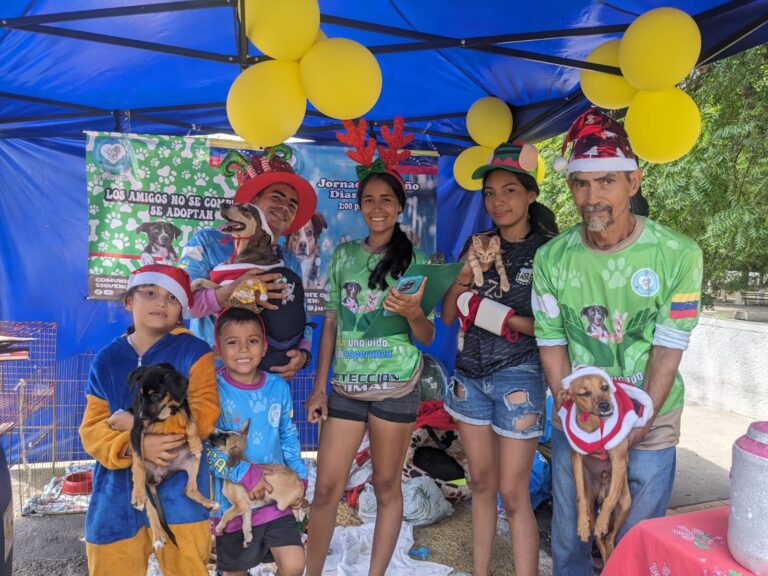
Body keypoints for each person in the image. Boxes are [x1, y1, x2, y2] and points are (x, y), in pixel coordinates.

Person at [532, 108, 703, 575]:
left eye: (606, 182)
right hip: (580, 415)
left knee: (636, 539)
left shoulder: (679, 255)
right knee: (571, 535)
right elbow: (551, 343)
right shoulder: (551, 258)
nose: (593, 197)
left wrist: (635, 427)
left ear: (633, 182)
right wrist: (574, 413)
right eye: (581, 184)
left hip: (652, 411)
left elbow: (668, 348)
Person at [304, 117, 434, 576]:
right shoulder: (342, 255)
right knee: (325, 489)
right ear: (359, 206)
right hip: (345, 387)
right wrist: (319, 387)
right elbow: (332, 323)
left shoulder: (417, 260)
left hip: (397, 386)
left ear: (399, 205)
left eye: (386, 199)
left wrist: (414, 312)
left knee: (385, 486)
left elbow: (426, 336)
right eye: (368, 200)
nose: (376, 207)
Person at [441, 141, 558, 576]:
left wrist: (501, 316)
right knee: (481, 484)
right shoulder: (477, 245)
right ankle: (481, 571)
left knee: (513, 492)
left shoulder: (550, 252)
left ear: (530, 196)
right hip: (468, 377)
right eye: (490, 193)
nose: (498, 201)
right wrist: (461, 280)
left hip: (520, 376)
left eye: (509, 191)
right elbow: (450, 314)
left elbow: (554, 328)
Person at [79, 264, 220, 576]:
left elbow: (205, 415)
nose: (160, 302)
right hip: (115, 497)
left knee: (188, 568)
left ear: (181, 309)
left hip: (181, 497)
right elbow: (92, 429)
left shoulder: (194, 352)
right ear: (129, 300)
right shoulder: (106, 360)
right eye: (151, 293)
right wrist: (135, 445)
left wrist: (136, 426)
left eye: (172, 298)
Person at [179, 145, 317, 380]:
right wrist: (229, 293)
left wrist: (302, 353)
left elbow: (302, 314)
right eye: (276, 196)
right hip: (212, 379)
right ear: (253, 201)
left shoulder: (290, 260)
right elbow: (180, 304)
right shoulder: (208, 243)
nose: (285, 207)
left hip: (268, 382)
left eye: (292, 205)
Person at [206, 305, 307, 576]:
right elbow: (208, 447)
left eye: (252, 341)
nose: (243, 350)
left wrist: (300, 477)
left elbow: (288, 434)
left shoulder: (278, 386)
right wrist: (246, 474)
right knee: (235, 572)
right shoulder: (212, 390)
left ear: (263, 348)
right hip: (235, 502)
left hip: (275, 500)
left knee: (295, 564)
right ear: (218, 350)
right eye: (232, 343)